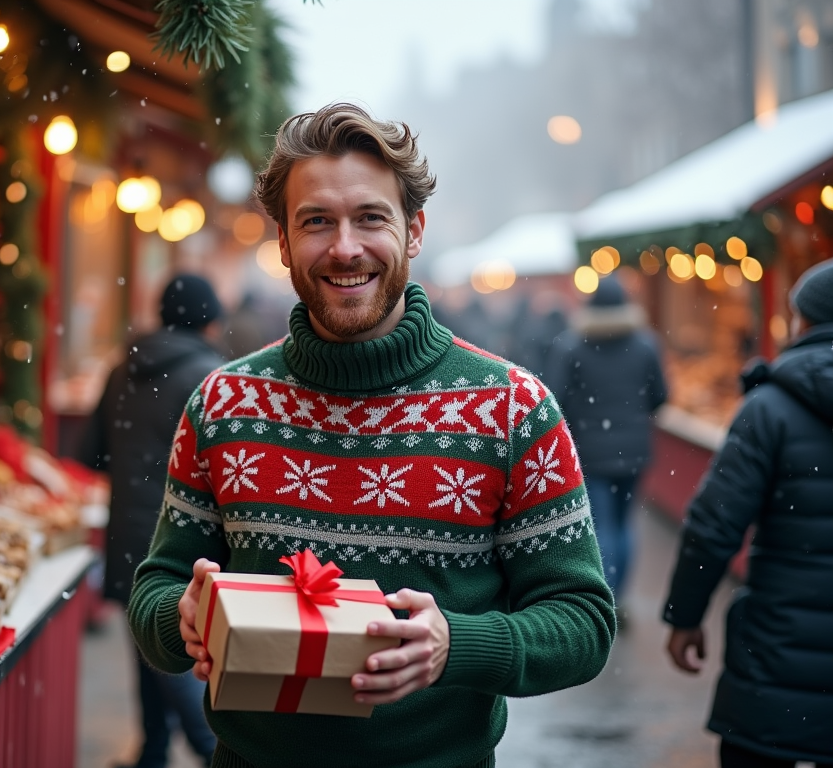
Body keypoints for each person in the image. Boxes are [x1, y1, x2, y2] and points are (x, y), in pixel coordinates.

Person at [127, 103, 615, 768]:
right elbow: (157, 589)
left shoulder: (513, 410)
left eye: (371, 217)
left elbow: (584, 623)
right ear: (282, 241)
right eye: (317, 221)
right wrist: (177, 621)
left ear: (413, 230)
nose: (346, 246)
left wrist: (455, 646)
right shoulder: (222, 403)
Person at [663, 259, 833, 768]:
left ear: (802, 322)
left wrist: (685, 616)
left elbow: (714, 526)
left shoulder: (769, 410)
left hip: (776, 660)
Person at [80, 274, 225, 768]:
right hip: (187, 538)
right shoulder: (213, 380)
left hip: (127, 531)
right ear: (209, 319)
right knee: (184, 652)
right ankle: (210, 750)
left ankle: (153, 753)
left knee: (148, 641)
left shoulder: (122, 369)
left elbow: (91, 452)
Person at [543, 276, 667, 604]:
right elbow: (661, 395)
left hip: (590, 452)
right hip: (635, 451)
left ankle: (607, 598)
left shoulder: (571, 345)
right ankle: (619, 596)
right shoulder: (646, 344)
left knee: (601, 524)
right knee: (625, 524)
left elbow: (557, 400)